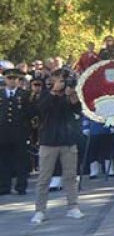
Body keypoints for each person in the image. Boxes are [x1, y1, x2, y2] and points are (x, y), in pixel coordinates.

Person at [31, 70, 84, 223]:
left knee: (71, 176)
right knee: (44, 177)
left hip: (68, 140)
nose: (62, 83)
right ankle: (40, 210)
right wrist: (55, 92)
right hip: (49, 141)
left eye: (64, 80)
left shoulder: (69, 95)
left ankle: (73, 207)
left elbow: (77, 109)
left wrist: (72, 94)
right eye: (60, 80)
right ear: (53, 81)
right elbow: (43, 108)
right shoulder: (46, 94)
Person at [0, 69, 33, 196]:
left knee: (21, 161)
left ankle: (21, 186)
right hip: (3, 133)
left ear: (18, 80)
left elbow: (30, 113)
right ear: (5, 80)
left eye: (15, 78)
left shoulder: (25, 95)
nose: (12, 81)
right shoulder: (1, 94)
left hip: (20, 132)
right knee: (3, 161)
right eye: (9, 78)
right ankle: (4, 186)